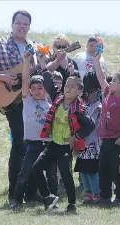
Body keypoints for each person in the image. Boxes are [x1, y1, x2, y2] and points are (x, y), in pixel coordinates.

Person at [0, 10, 40, 204]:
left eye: (25, 23)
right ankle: (14, 194)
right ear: (12, 24)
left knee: (33, 144)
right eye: (19, 23)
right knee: (20, 144)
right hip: (12, 101)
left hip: (31, 101)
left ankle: (31, 192)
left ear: (29, 27)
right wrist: (4, 78)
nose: (22, 26)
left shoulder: (33, 47)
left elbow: (37, 72)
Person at [32, 70, 95, 212]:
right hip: (52, 145)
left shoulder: (78, 108)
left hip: (65, 147)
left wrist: (76, 137)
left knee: (66, 175)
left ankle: (72, 204)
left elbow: (90, 125)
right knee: (36, 167)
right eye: (67, 85)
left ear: (79, 92)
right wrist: (46, 62)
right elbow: (47, 78)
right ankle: (48, 197)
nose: (68, 88)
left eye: (73, 86)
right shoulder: (57, 99)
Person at [10, 52, 59, 210]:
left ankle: (51, 200)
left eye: (40, 88)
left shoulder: (50, 106)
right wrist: (26, 62)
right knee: (24, 173)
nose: (37, 91)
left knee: (51, 174)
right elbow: (25, 80)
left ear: (45, 89)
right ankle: (17, 200)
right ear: (29, 91)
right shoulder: (28, 101)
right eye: (34, 88)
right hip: (33, 145)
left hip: (49, 145)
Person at [94, 52, 120, 206]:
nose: (110, 83)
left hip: (118, 140)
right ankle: (104, 196)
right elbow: (101, 77)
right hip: (105, 139)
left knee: (118, 169)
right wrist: (96, 59)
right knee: (103, 168)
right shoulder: (107, 94)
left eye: (114, 81)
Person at [74, 88, 102, 204]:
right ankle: (88, 194)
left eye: (90, 92)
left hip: (92, 143)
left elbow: (92, 125)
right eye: (86, 93)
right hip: (81, 142)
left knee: (91, 171)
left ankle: (96, 194)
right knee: (83, 170)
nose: (88, 95)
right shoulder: (83, 105)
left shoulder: (99, 108)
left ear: (97, 92)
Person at [73, 36, 108, 100]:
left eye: (95, 46)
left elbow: (104, 75)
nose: (93, 48)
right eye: (91, 45)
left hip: (96, 90)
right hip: (80, 88)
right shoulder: (79, 56)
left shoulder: (101, 59)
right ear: (86, 45)